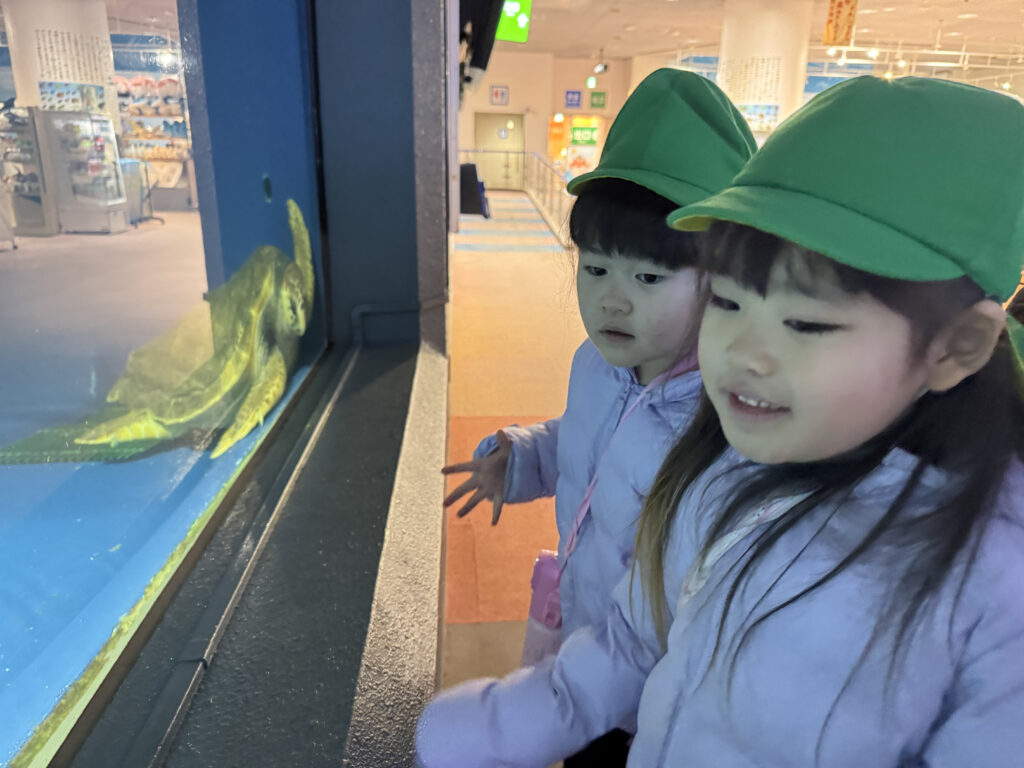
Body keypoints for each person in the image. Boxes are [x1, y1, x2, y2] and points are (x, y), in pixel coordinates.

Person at [418, 75, 1024, 767]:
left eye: (805, 322)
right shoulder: (722, 469)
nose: (739, 354)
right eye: (730, 303)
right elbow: (636, 640)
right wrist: (486, 730)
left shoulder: (996, 597)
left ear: (957, 346)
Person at [439, 68, 755, 766]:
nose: (613, 299)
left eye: (649, 277)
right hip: (580, 637)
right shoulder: (598, 363)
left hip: (650, 695)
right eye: (596, 268)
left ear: (723, 281)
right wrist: (524, 456)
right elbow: (588, 442)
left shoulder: (725, 426)